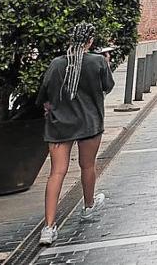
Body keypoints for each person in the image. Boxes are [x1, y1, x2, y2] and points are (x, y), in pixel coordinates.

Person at [37, 22, 115, 245]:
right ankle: (88, 206)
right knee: (87, 166)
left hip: (60, 123)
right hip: (89, 122)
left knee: (57, 172)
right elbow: (107, 86)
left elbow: (45, 93)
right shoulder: (98, 61)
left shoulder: (56, 64)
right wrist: (106, 64)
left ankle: (49, 227)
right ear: (90, 41)